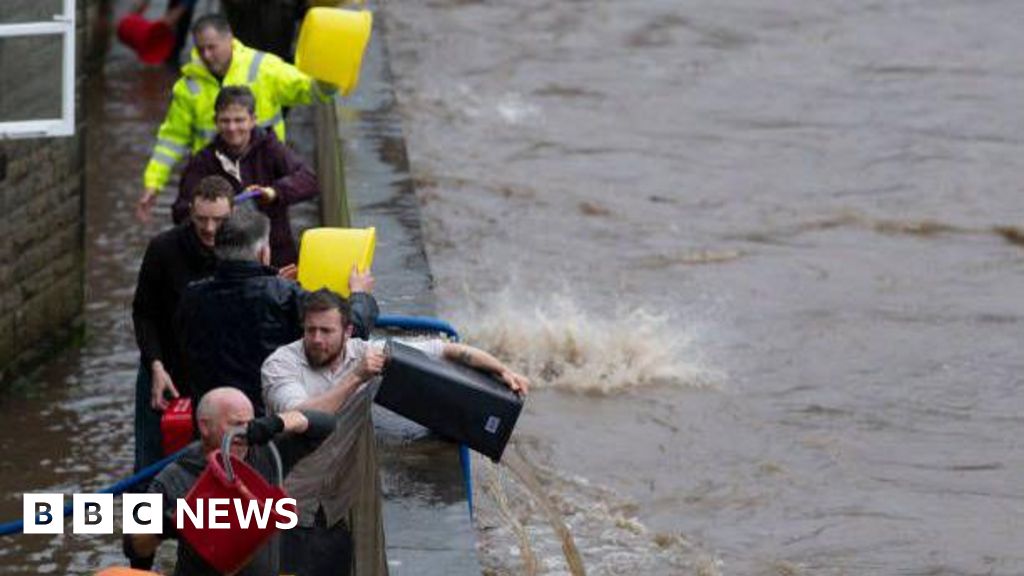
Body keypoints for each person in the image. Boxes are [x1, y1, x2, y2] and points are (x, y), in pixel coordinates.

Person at [261, 289, 529, 576]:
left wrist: (503, 370)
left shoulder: (363, 352)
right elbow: (304, 418)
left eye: (326, 331)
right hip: (283, 505)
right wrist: (356, 378)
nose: (316, 339)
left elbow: (444, 349)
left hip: (333, 508)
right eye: (310, 330)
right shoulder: (280, 365)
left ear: (348, 331)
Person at [176, 208, 378, 416]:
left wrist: (273, 279)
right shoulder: (284, 295)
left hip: (211, 418)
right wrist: (360, 295)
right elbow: (351, 330)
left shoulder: (192, 296)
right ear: (264, 251)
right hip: (272, 425)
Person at [138, 13, 333, 222]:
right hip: (211, 179)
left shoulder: (264, 67)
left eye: (212, 47)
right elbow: (172, 140)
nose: (207, 55)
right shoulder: (188, 86)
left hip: (264, 176)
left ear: (229, 39)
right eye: (201, 49)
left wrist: (333, 79)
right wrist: (153, 183)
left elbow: (309, 90)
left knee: (269, 235)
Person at [125, 387, 339, 575]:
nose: (244, 433)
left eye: (250, 424)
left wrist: (277, 423)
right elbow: (133, 547)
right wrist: (167, 526)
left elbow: (326, 425)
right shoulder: (172, 476)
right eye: (236, 424)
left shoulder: (267, 452)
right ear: (205, 427)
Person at [131, 175, 234, 472]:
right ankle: (151, 516)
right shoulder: (163, 249)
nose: (210, 229)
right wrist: (155, 364)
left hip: (218, 372)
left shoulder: (242, 249)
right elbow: (143, 313)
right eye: (202, 219)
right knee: (152, 460)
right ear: (190, 213)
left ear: (232, 215)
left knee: (217, 460)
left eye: (219, 220)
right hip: (165, 370)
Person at [174, 86, 318, 268]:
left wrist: (274, 193)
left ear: (253, 120)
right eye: (225, 121)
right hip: (222, 263)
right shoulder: (202, 161)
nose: (232, 128)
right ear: (215, 122)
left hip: (276, 257)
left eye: (239, 120)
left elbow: (309, 179)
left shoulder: (271, 148)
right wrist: (219, 213)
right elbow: (181, 211)